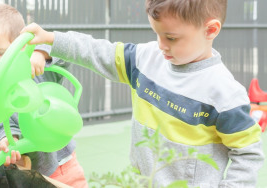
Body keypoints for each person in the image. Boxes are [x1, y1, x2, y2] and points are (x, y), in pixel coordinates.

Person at [21, 0, 265, 187]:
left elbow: (248, 154)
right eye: (157, 34)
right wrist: (52, 40)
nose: (161, 45)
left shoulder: (225, 94)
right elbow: (95, 50)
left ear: (210, 30)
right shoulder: (145, 60)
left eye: (170, 37)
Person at [0, 3, 87, 187]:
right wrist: (7, 139)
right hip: (28, 171)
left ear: (22, 47)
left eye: (0, 53)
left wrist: (42, 54)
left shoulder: (36, 70)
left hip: (63, 164)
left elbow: (64, 55)